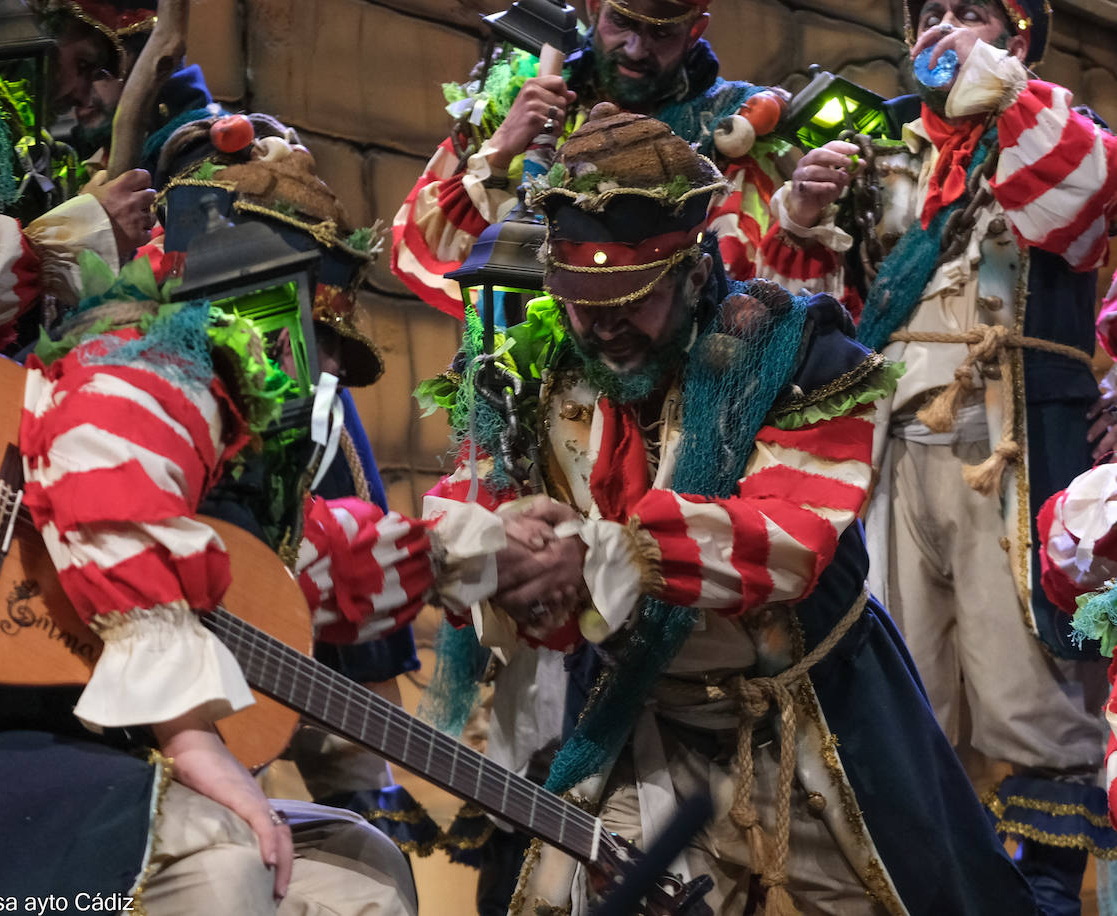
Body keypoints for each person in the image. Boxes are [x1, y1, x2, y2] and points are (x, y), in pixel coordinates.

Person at [0, 5, 421, 911]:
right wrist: (82, 234)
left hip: (3, 609)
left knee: (360, 872)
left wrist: (449, 559)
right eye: (91, 61)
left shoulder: (36, 165)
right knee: (216, 863)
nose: (97, 89)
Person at [416, 104, 1037, 914]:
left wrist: (606, 556)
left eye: (632, 297)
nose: (604, 327)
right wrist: (497, 549)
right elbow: (468, 504)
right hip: (648, 725)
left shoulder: (802, 354)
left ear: (694, 274)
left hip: (817, 724)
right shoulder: (543, 375)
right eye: (581, 300)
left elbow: (791, 538)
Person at [757, 1, 1117, 908]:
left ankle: (1042, 896)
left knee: (1032, 691)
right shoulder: (882, 155)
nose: (944, 27)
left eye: (971, 13)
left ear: (1018, 37)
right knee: (905, 687)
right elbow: (815, 322)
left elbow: (1080, 204)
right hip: (891, 455)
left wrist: (995, 85)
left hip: (1014, 446)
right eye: (932, 13)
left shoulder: (1058, 125)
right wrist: (804, 214)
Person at [146, 108, 442, 858]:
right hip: (123, 734)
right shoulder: (140, 380)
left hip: (258, 685)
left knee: (363, 856)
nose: (327, 369)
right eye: (313, 342)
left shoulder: (311, 402)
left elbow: (329, 536)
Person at [390, 0, 790, 318]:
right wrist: (503, 145)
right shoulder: (519, 100)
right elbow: (421, 245)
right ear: (594, 6)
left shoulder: (728, 134)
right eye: (622, 21)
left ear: (694, 30)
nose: (636, 48)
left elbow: (751, 296)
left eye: (661, 32)